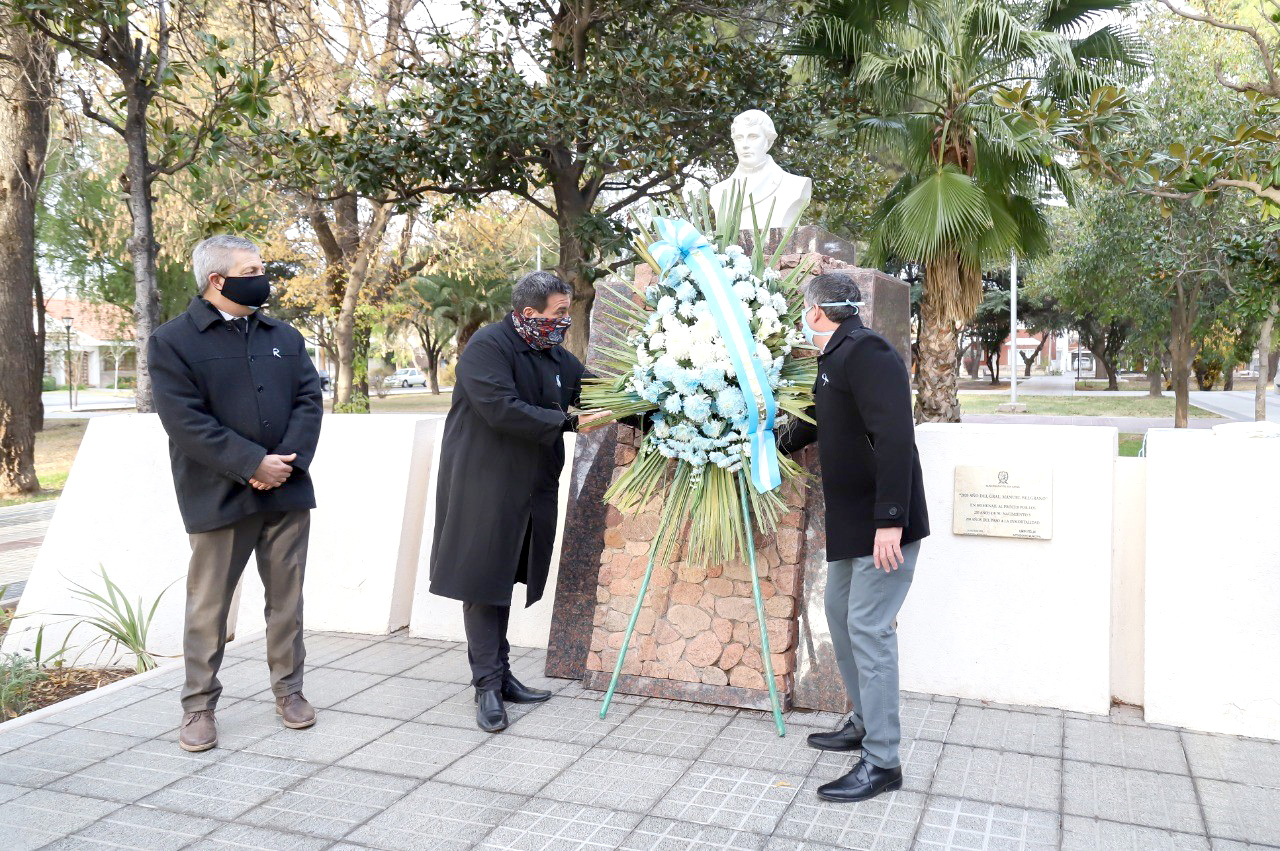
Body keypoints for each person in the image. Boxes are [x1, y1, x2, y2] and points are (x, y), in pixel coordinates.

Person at [149, 234, 323, 752]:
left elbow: (309, 400)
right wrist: (251, 465)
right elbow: (183, 421)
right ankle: (198, 706)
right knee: (209, 606)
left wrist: (284, 464)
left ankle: (290, 692)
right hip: (218, 494)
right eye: (252, 268)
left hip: (286, 490)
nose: (263, 275)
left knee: (287, 602)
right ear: (217, 280)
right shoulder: (173, 341)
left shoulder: (283, 336)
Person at [429, 271, 612, 732]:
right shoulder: (488, 346)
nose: (565, 322)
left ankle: (502, 674)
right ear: (530, 313)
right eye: (560, 313)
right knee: (483, 579)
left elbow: (593, 387)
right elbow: (500, 407)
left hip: (529, 484)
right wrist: (570, 424)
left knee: (507, 574)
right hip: (483, 484)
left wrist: (660, 392)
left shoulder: (552, 352)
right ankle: (487, 686)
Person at [778, 271, 930, 803]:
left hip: (881, 523)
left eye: (804, 310)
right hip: (852, 523)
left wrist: (891, 519)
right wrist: (760, 444)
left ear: (816, 312)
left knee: (869, 628)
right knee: (842, 615)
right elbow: (823, 421)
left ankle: (883, 762)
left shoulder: (868, 353)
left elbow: (895, 437)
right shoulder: (836, 354)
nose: (804, 317)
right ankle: (863, 722)